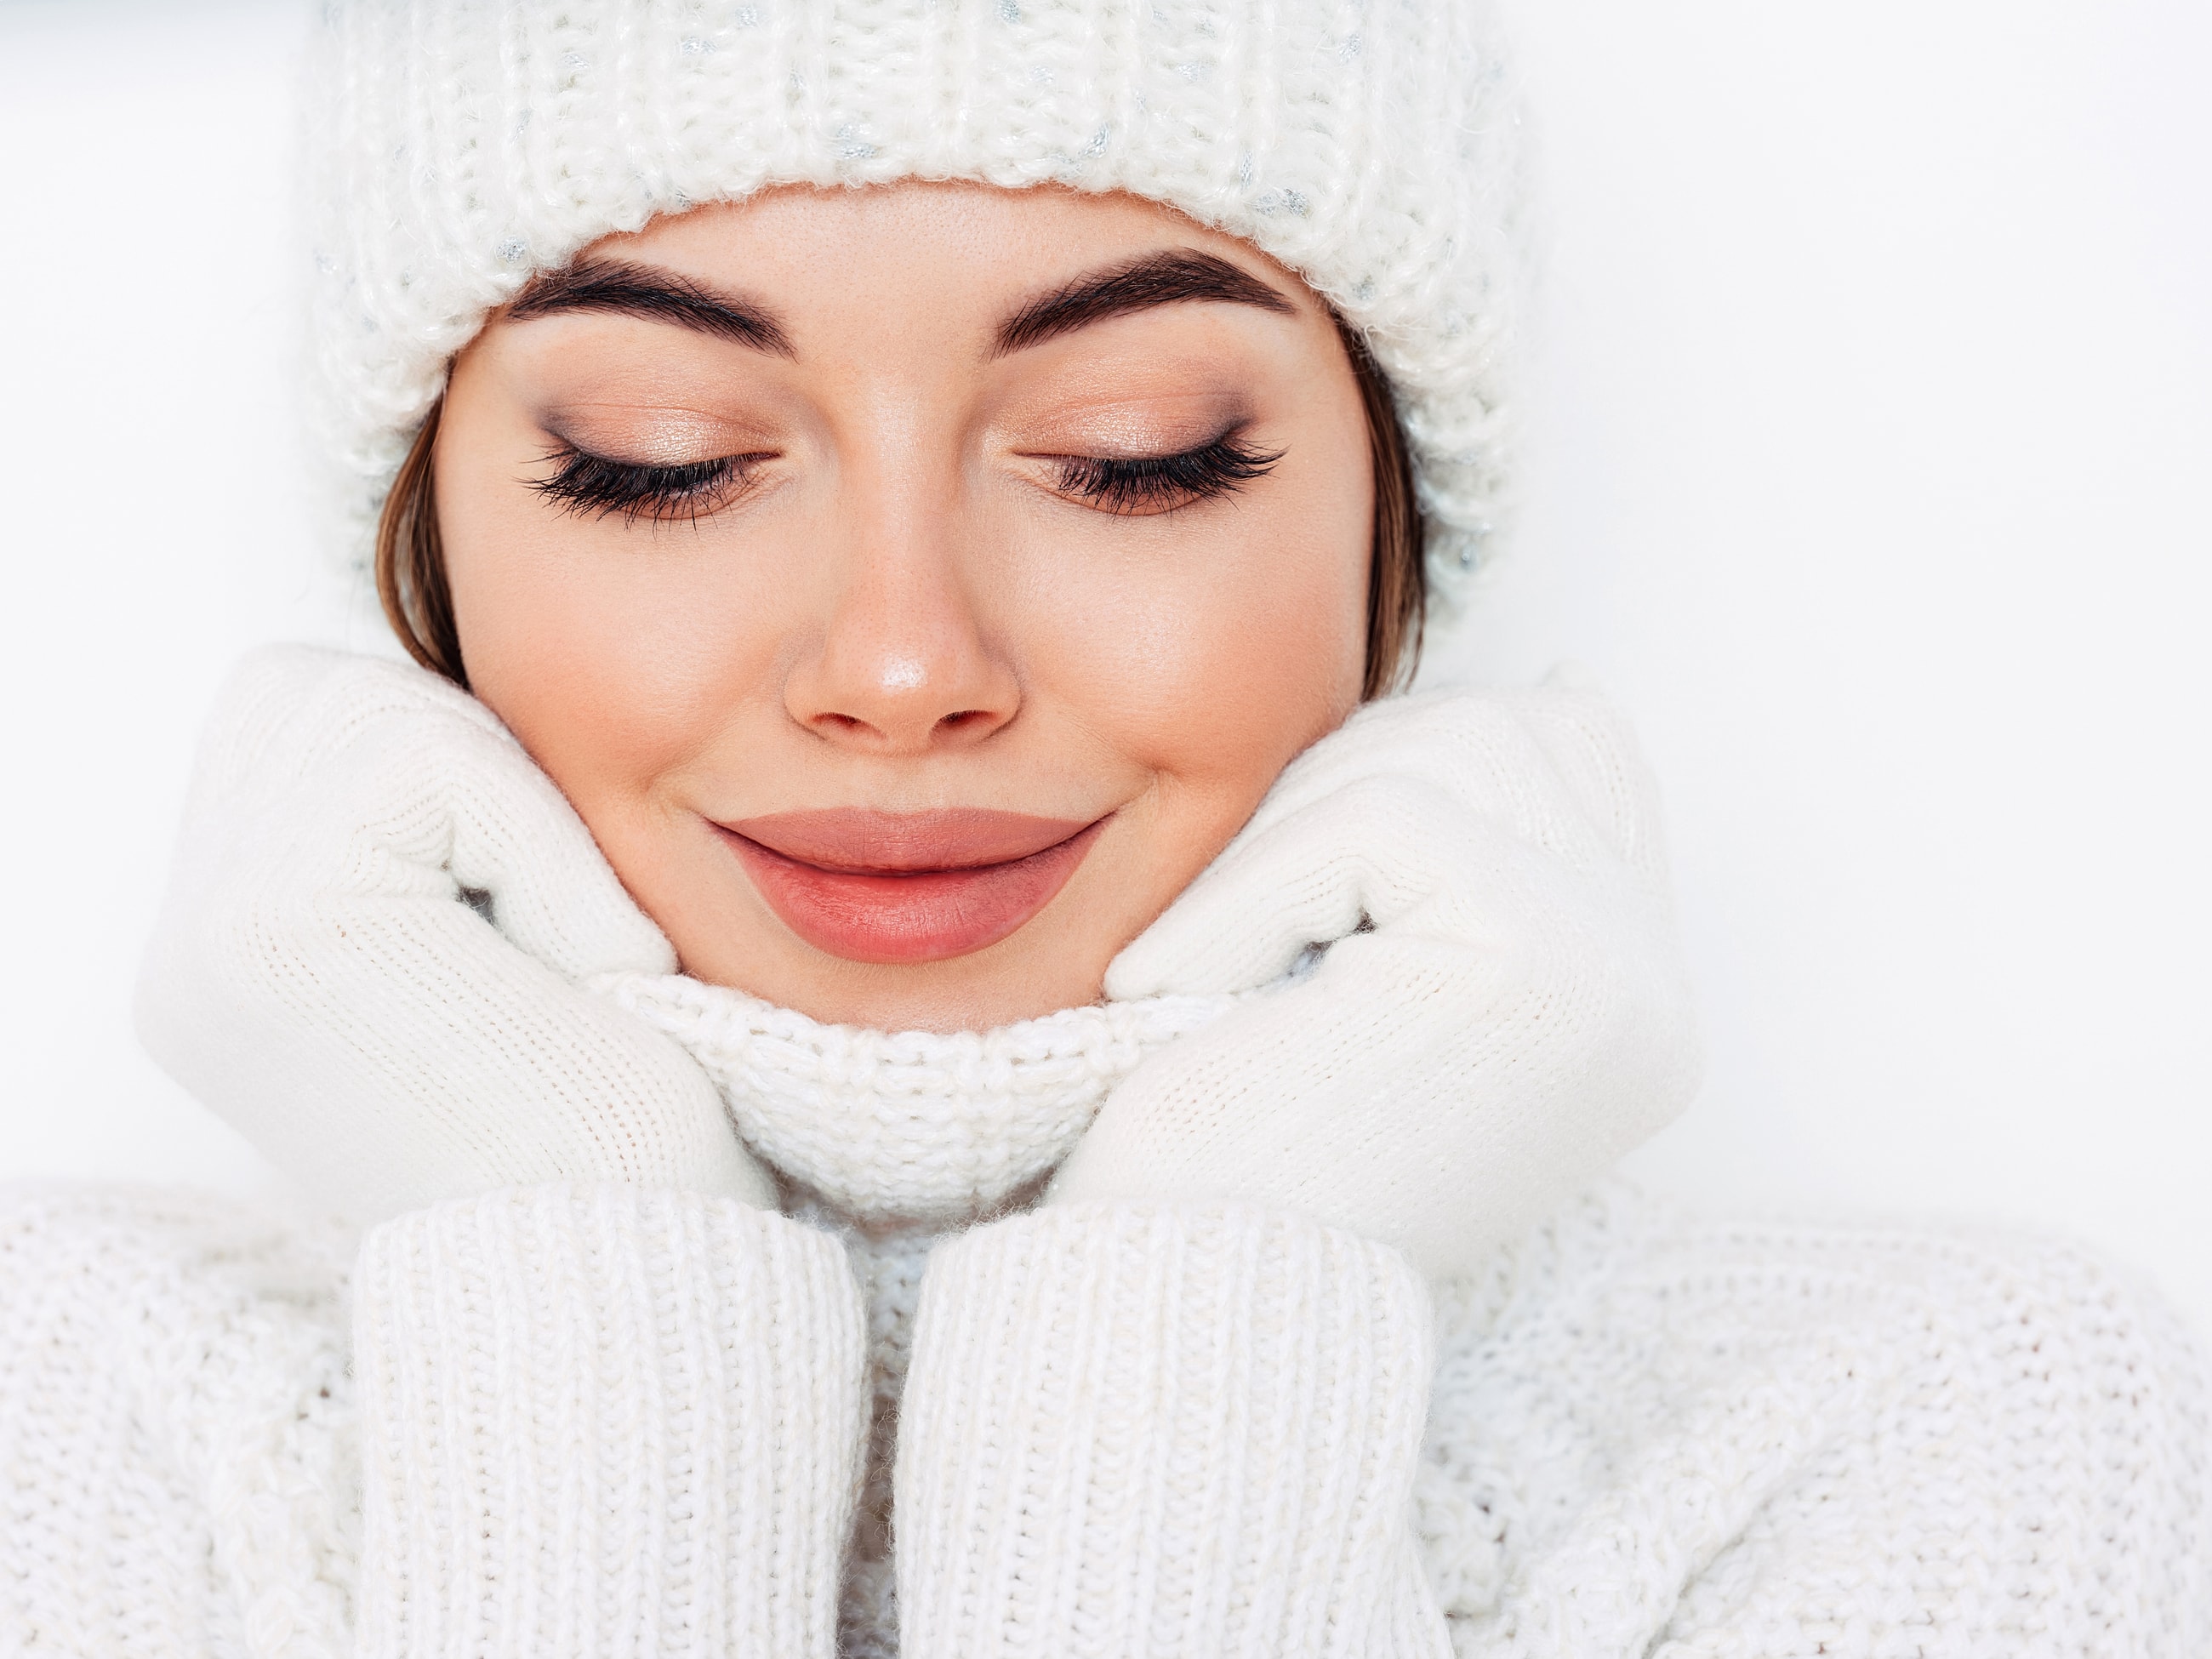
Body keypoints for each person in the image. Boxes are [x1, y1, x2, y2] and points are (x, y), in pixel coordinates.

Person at [3, 1, 2204, 1654]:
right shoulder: (68, 1417)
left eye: (1138, 455)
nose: (901, 662)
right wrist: (569, 1256)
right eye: (662, 459)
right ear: (429, 544)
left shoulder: (1935, 1435)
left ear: (1394, 526)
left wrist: (1214, 1291)